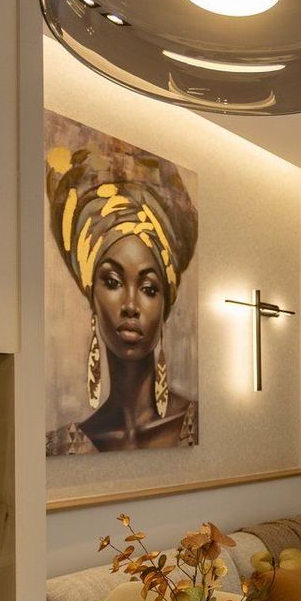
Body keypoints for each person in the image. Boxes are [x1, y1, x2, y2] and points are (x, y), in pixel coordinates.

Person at [45, 156, 198, 454]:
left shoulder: (196, 423)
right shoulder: (60, 447)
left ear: (165, 304)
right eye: (113, 282)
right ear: (92, 295)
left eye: (148, 288)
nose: (130, 305)